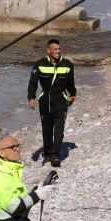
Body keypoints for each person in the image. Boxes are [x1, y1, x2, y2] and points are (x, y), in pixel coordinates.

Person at [28, 39, 76, 167]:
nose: (58, 51)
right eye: (55, 49)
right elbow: (33, 83)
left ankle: (55, 155)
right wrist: (31, 98)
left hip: (61, 101)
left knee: (59, 130)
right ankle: (48, 153)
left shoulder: (67, 64)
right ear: (48, 50)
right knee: (47, 129)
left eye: (59, 49)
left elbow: (71, 83)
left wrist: (72, 95)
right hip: (45, 102)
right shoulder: (40, 64)